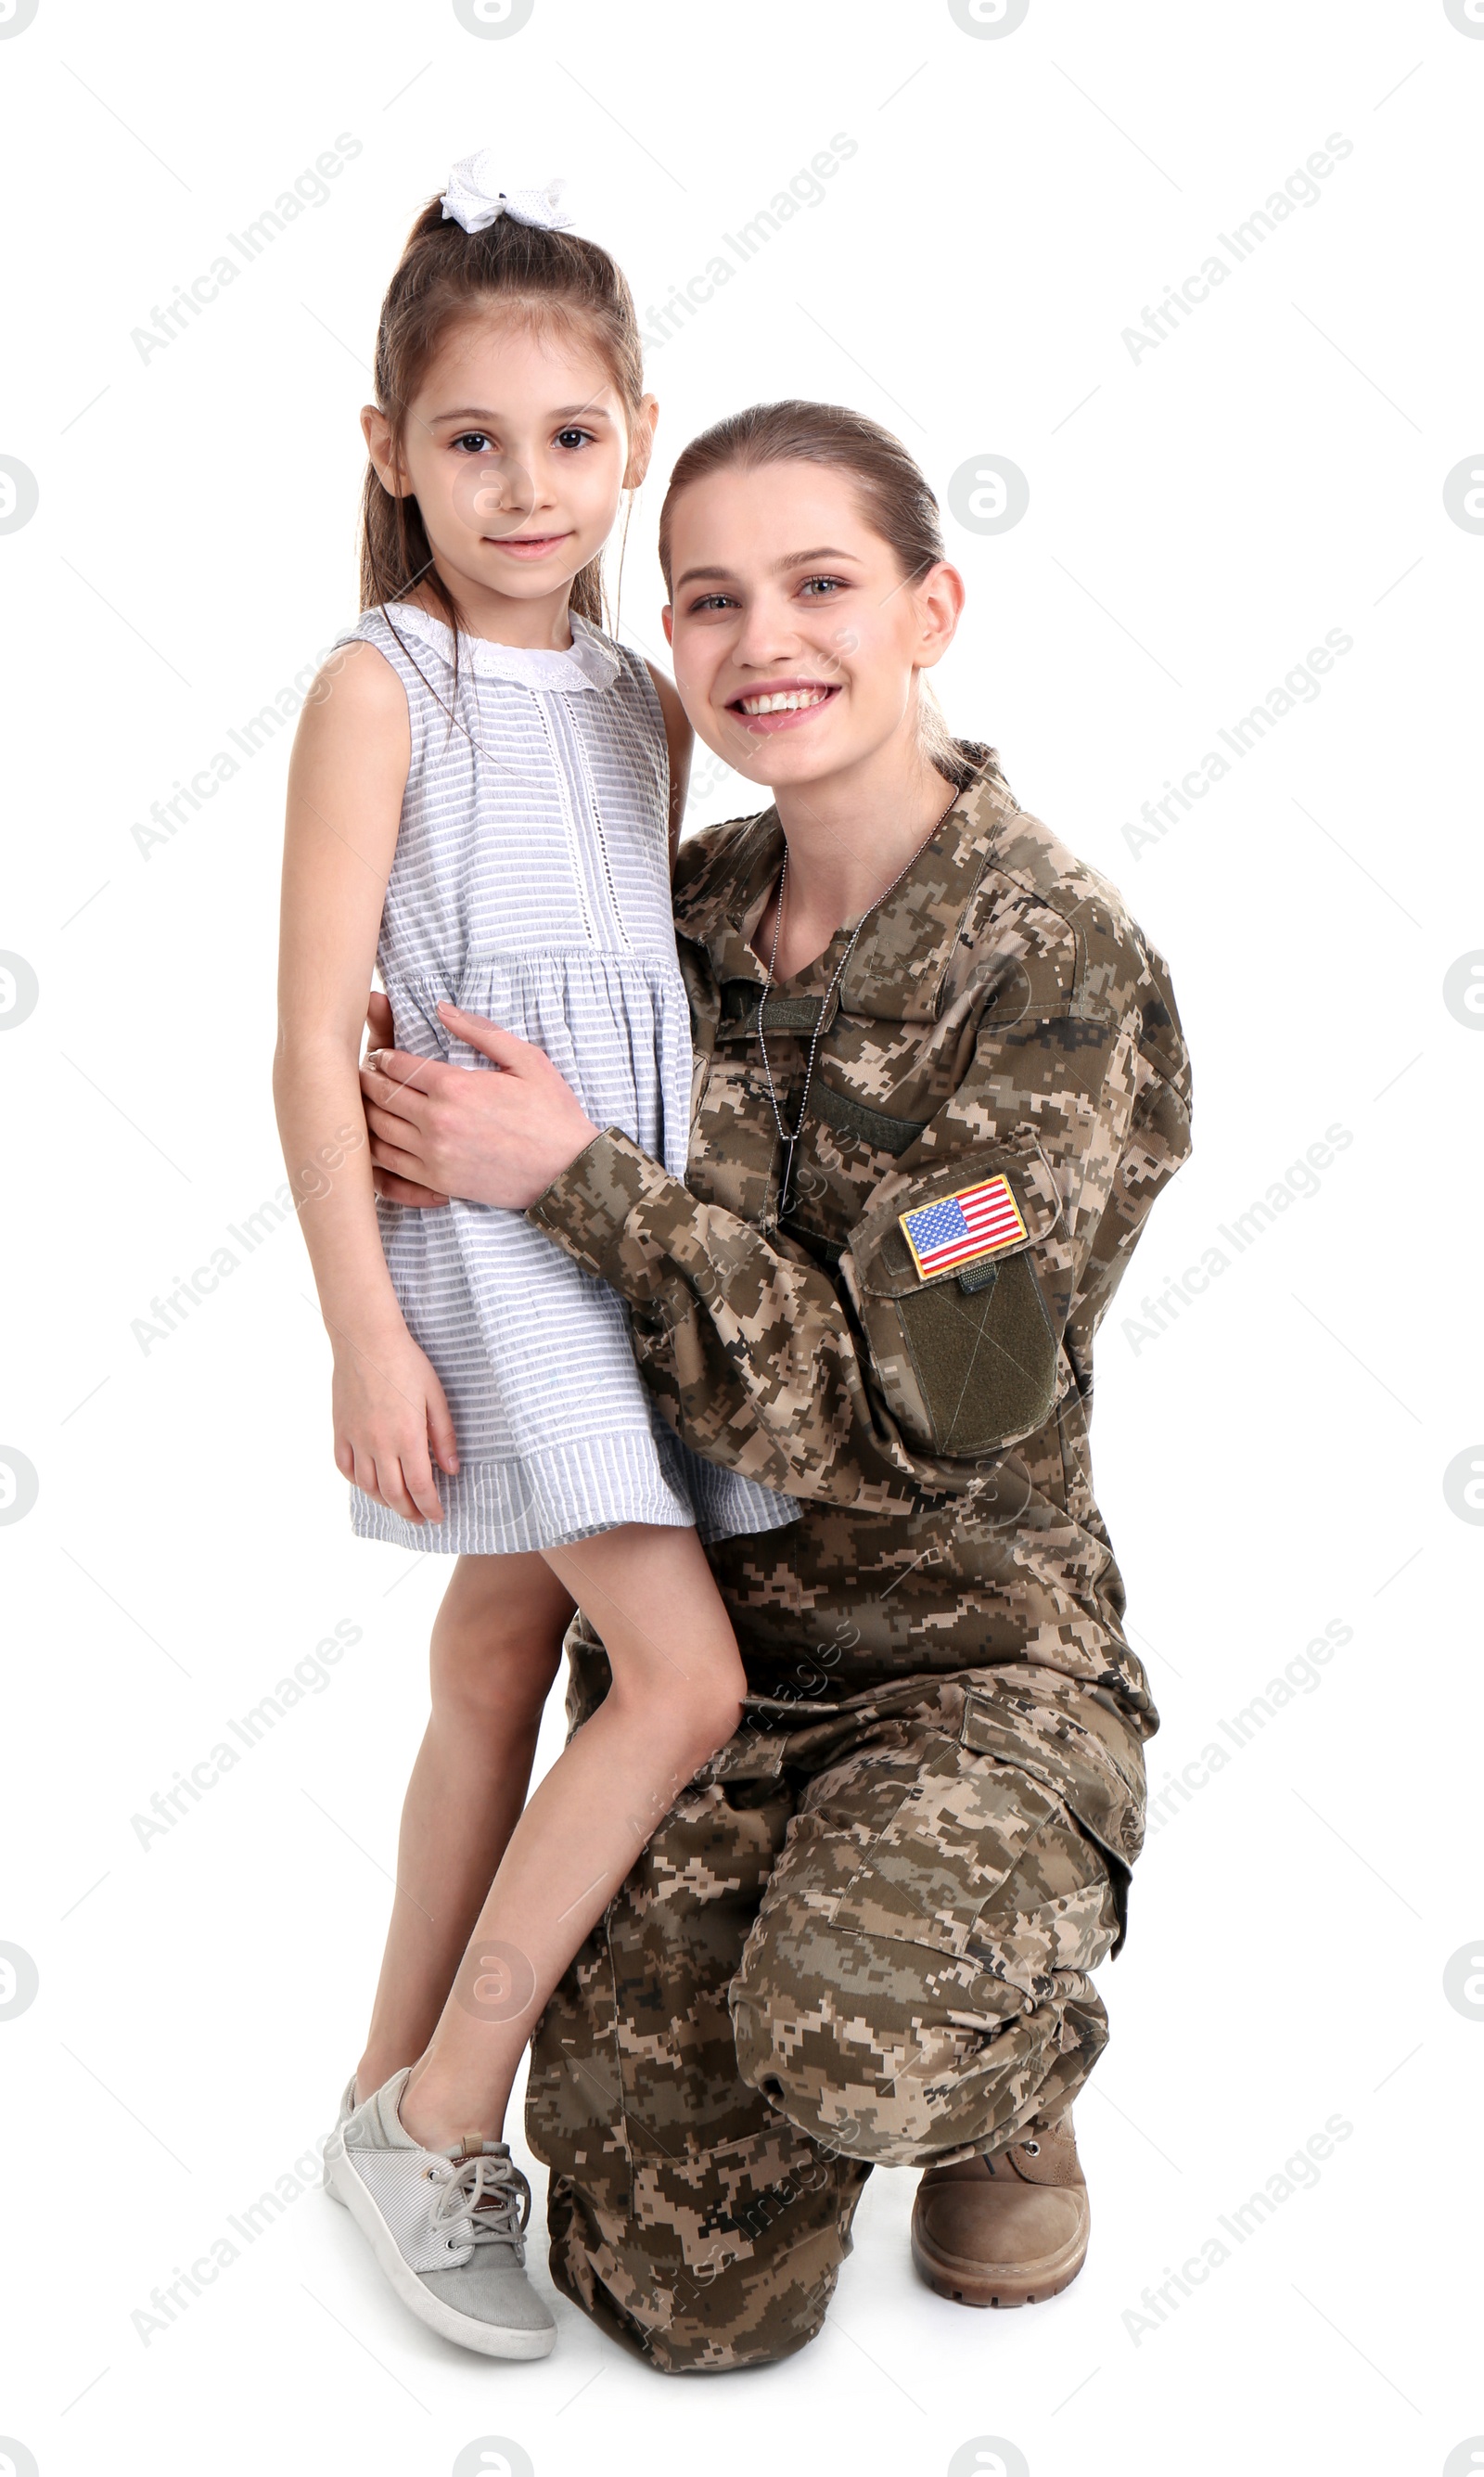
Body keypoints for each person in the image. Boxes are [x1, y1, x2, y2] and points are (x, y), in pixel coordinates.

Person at [358, 397, 1195, 2372]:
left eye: (818, 584)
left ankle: (999, 2064)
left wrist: (573, 1179)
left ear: (930, 607)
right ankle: (814, 1993)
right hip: (699, 1685)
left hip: (958, 1669)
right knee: (671, 2309)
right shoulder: (684, 918)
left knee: (867, 2028)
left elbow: (914, 1416)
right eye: (707, 599)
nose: (760, 643)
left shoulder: (1054, 976)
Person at [274, 160, 796, 2361]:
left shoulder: (627, 702)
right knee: (682, 1682)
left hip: (611, 1235)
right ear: (389, 450)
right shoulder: (376, 688)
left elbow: (630, 1006)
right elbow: (312, 1035)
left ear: (636, 437)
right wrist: (361, 1333)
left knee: (502, 1667)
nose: (525, 487)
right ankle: (447, 2118)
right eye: (471, 439)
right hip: (480, 1271)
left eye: (571, 440)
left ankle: (372, 2094)